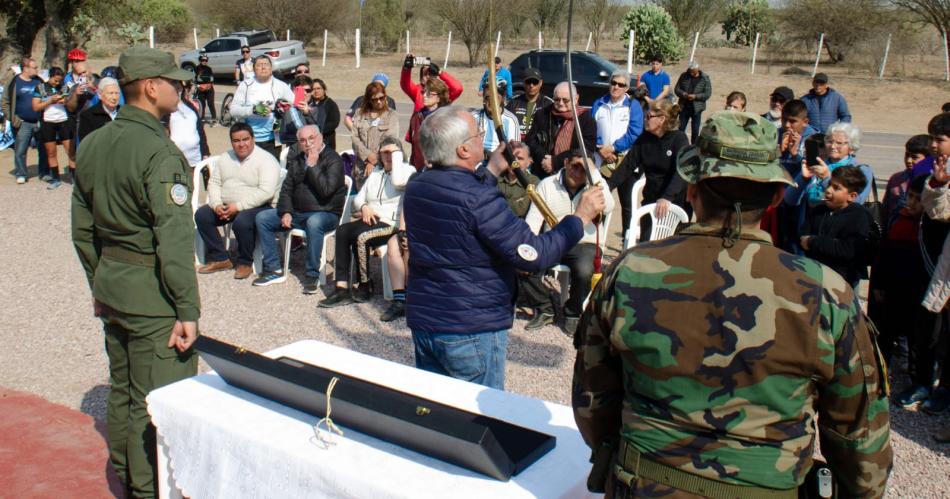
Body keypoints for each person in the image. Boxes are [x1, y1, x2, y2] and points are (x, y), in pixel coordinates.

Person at [572, 111, 891, 499]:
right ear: (775, 196)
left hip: (643, 485)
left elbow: (593, 401)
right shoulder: (826, 293)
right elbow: (859, 438)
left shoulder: (631, 271)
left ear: (692, 189)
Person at [71, 46, 200, 499]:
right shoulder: (160, 153)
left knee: (124, 391)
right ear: (150, 88)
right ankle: (151, 489)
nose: (179, 87)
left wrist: (99, 281)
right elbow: (175, 240)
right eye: (172, 81)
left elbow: (82, 229)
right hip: (153, 299)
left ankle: (128, 477)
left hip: (114, 286)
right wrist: (187, 308)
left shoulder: (94, 143)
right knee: (160, 402)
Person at [402, 105, 605, 389]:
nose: (483, 138)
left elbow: (460, 192)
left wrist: (492, 169)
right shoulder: (479, 199)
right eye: (478, 134)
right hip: (470, 328)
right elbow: (533, 254)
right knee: (478, 419)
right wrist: (580, 217)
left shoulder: (417, 186)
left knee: (439, 414)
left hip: (427, 320)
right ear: (462, 150)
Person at [522, 150, 614, 333]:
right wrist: (526, 246)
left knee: (585, 270)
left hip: (584, 243)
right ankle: (545, 307)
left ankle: (573, 312)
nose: (578, 173)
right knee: (523, 259)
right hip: (553, 239)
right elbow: (533, 221)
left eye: (583, 169)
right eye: (575, 167)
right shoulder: (546, 185)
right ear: (565, 163)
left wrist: (594, 172)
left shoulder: (595, 187)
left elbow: (610, 206)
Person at [319, 138, 414, 307]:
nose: (388, 156)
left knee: (362, 237)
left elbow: (398, 182)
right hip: (370, 219)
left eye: (393, 152)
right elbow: (359, 198)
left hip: (391, 223)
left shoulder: (407, 171)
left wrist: (397, 162)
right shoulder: (376, 173)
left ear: (400, 154)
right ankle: (342, 287)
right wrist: (364, 207)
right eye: (384, 152)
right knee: (342, 230)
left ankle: (365, 284)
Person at [896, 113, 950, 410]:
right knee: (925, 327)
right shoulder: (935, 171)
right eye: (932, 138)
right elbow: (936, 211)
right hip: (929, 258)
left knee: (943, 333)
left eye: (940, 139)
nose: (934, 145)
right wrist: (939, 185)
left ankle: (942, 392)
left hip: (944, 266)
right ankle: (921, 382)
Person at [254, 125, 346, 293]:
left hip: (325, 212)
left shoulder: (333, 159)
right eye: (303, 140)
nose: (308, 143)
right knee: (263, 218)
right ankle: (273, 269)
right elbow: (286, 189)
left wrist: (312, 166)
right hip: (298, 212)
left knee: (314, 222)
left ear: (320, 138)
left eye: (311, 138)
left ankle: (312, 274)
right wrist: (286, 211)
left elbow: (326, 191)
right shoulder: (297, 160)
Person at [195, 123, 281, 279]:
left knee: (242, 221)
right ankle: (220, 257)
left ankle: (245, 262)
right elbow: (214, 183)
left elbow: (266, 192)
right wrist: (216, 205)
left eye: (245, 139)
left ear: (253, 139)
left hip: (258, 205)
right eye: (236, 141)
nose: (241, 144)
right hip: (227, 205)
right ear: (231, 142)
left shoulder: (266, 160)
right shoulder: (225, 158)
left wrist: (238, 207)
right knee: (202, 215)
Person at [607, 99, 690, 239]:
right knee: (646, 243)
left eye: (649, 116)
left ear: (662, 119)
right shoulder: (644, 139)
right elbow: (627, 165)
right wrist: (606, 186)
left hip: (674, 202)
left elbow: (682, 170)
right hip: (650, 200)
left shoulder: (679, 139)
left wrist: (666, 197)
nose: (645, 119)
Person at [869, 174, 928, 367]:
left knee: (917, 340)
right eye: (910, 196)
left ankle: (915, 377)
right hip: (892, 290)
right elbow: (882, 255)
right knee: (885, 334)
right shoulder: (897, 219)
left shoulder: (931, 227)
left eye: (918, 199)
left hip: (919, 295)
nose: (911, 203)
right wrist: (878, 284)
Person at [799, 165, 872, 288]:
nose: (828, 190)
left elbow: (848, 249)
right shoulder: (819, 210)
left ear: (852, 196)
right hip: (814, 276)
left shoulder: (859, 216)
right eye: (829, 185)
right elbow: (802, 237)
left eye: (836, 188)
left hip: (841, 282)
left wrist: (813, 242)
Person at [524, 81, 597, 179]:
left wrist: (555, 161)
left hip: (571, 173)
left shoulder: (586, 120)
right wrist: (545, 159)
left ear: (576, 99)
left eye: (565, 100)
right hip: (542, 169)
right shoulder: (542, 114)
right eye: (557, 99)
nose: (561, 103)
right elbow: (531, 140)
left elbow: (586, 149)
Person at [229, 55, 294, 159]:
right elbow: (233, 110)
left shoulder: (281, 86)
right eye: (259, 65)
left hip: (274, 135)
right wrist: (253, 110)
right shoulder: (245, 85)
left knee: (272, 168)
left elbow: (293, 105)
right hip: (248, 138)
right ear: (254, 69)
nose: (263, 67)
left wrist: (283, 108)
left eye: (266, 64)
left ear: (271, 68)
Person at [2, 56, 48, 184]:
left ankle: (44, 172)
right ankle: (21, 173)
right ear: (26, 68)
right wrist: (12, 117)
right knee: (20, 149)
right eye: (34, 67)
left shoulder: (39, 81)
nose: (37, 70)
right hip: (22, 122)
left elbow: (45, 97)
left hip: (39, 121)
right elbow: (5, 101)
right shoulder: (14, 82)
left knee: (43, 148)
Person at [590, 70, 643, 173]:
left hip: (625, 160)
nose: (616, 87)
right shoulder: (598, 103)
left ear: (626, 88)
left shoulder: (633, 105)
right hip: (599, 159)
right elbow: (591, 129)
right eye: (613, 83)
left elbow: (635, 132)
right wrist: (600, 149)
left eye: (621, 85)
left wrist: (613, 148)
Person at [351, 81, 400, 191]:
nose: (378, 102)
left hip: (382, 167)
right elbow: (355, 138)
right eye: (374, 99)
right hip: (361, 168)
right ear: (369, 99)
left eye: (381, 98)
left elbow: (390, 140)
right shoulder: (359, 114)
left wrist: (374, 160)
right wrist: (368, 157)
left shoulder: (392, 115)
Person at [31, 66, 71, 189]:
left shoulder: (65, 87)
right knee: (51, 152)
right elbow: (36, 107)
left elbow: (70, 103)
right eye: (55, 80)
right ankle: (55, 178)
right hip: (48, 121)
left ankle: (74, 178)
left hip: (63, 120)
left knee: (70, 151)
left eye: (60, 80)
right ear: (50, 77)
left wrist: (65, 101)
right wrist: (50, 101)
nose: (58, 83)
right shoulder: (40, 87)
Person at [882, 134, 930, 227]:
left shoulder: (930, 183)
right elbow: (885, 209)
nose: (908, 160)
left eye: (914, 157)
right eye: (907, 155)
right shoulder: (896, 179)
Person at [406, 78, 450, 170]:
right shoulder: (416, 117)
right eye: (424, 92)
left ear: (439, 98)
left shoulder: (446, 119)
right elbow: (414, 149)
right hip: (417, 171)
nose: (424, 95)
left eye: (429, 94)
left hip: (438, 172)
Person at [471, 81, 519, 158]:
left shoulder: (510, 120)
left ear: (503, 99)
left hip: (500, 162)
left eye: (495, 98)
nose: (491, 101)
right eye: (487, 97)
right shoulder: (473, 116)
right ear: (483, 99)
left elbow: (515, 151)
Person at [165, 83, 210, 167]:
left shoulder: (190, 106)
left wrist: (205, 153)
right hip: (174, 160)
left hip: (194, 159)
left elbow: (200, 130)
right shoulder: (165, 107)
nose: (180, 89)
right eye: (176, 87)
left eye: (182, 87)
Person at [506, 68, 553, 140]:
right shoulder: (513, 103)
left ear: (541, 83)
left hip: (538, 146)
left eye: (535, 82)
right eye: (528, 82)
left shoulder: (548, 104)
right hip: (517, 145)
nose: (531, 85)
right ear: (523, 83)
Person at [778, 99, 819, 179]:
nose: (787, 125)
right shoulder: (776, 133)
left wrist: (795, 154)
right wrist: (779, 151)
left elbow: (811, 173)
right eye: (784, 119)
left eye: (792, 121)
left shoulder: (813, 140)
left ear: (805, 122)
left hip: (800, 187)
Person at [497, 141, 540, 218]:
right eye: (512, 157)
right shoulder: (496, 178)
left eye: (520, 158)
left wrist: (497, 203)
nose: (514, 162)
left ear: (529, 162)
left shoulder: (533, 182)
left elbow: (521, 210)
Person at [673, 61, 711, 143]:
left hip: (697, 109)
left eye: (694, 72)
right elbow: (677, 89)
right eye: (690, 71)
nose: (692, 73)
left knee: (695, 130)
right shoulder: (684, 76)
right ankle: (680, 145)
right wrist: (683, 94)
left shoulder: (705, 78)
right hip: (684, 107)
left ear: (698, 69)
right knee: (681, 128)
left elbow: (707, 94)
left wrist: (696, 96)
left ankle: (694, 147)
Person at [76, 77, 121, 144]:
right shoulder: (88, 116)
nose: (114, 97)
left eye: (117, 93)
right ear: (100, 95)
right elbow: (86, 144)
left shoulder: (126, 113)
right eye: (110, 93)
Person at [309, 78, 340, 149]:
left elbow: (334, 122)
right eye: (313, 89)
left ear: (324, 89)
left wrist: (319, 131)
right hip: (310, 141)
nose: (316, 91)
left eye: (318, 88)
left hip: (327, 141)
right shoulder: (309, 104)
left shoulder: (330, 104)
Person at [194, 55, 216, 124]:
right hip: (200, 89)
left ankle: (214, 118)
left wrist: (208, 85)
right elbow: (195, 79)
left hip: (209, 89)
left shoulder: (209, 69)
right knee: (202, 104)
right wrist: (199, 85)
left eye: (206, 60)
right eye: (203, 60)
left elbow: (211, 79)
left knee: (210, 104)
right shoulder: (196, 68)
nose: (204, 62)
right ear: (200, 60)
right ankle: (202, 118)